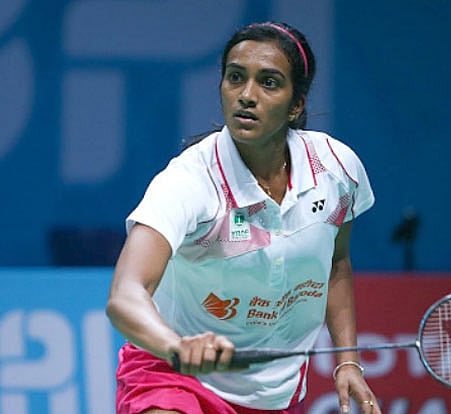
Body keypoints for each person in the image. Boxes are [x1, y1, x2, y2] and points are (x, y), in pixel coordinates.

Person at [106, 21, 381, 414]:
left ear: (296, 104)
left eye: (269, 83)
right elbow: (125, 294)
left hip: (274, 391)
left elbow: (335, 264)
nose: (247, 96)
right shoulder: (190, 181)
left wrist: (347, 360)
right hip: (173, 372)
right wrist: (176, 347)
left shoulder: (336, 169)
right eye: (236, 77)